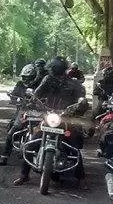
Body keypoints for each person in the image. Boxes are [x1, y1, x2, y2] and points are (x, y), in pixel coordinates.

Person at [13, 57, 89, 186]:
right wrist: (32, 101)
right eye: (52, 68)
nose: (53, 70)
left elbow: (82, 102)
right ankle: (24, 175)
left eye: (54, 68)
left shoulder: (74, 84)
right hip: (49, 116)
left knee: (74, 146)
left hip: (66, 118)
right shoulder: (48, 80)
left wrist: (80, 105)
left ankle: (80, 178)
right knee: (31, 142)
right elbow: (36, 94)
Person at [0, 63, 40, 166]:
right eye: (24, 77)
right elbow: (15, 94)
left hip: (38, 112)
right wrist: (13, 98)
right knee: (11, 133)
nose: (26, 79)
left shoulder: (40, 85)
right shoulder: (20, 84)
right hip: (23, 111)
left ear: (35, 76)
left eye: (29, 77)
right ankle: (4, 157)